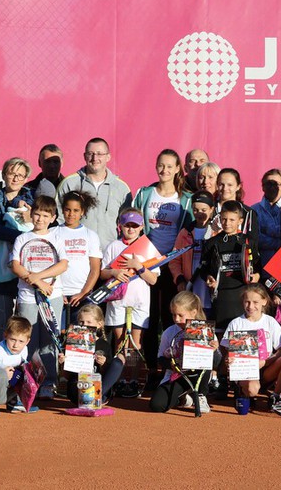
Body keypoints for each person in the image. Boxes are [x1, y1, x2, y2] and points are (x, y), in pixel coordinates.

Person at [133, 149, 193, 388]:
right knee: (148, 318)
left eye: (170, 166)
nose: (165, 170)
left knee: (172, 317)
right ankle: (150, 369)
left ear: (178, 169)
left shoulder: (185, 198)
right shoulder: (145, 193)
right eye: (161, 165)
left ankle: (172, 368)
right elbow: (134, 223)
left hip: (173, 264)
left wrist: (176, 260)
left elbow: (188, 232)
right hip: (147, 263)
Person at [197, 200, 260, 399]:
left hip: (241, 297)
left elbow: (257, 269)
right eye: (224, 219)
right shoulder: (212, 242)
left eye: (232, 219)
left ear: (240, 220)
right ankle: (222, 381)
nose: (227, 223)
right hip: (220, 297)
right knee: (223, 341)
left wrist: (256, 277)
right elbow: (204, 270)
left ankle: (240, 383)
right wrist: (208, 278)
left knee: (240, 340)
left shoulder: (247, 242)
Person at [11, 195, 69, 400]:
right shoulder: (22, 238)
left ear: (53, 217)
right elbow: (16, 265)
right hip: (27, 297)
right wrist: (36, 282)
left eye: (45, 215)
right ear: (30, 215)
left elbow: (63, 264)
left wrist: (39, 278)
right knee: (29, 340)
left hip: (52, 296)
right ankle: (29, 382)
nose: (40, 219)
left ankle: (49, 382)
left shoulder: (57, 238)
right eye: (37, 214)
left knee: (49, 341)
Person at [100, 208, 159, 395]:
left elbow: (153, 279)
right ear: (120, 226)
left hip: (140, 302)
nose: (131, 229)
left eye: (135, 226)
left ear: (142, 227)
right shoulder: (113, 246)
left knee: (135, 343)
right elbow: (102, 272)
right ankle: (118, 378)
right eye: (127, 225)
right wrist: (114, 272)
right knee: (119, 341)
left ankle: (132, 380)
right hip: (118, 300)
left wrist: (138, 267)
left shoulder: (147, 247)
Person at [0, 158, 34, 344]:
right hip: (0, 268)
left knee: (28, 323)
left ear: (26, 178)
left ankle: (25, 369)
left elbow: (45, 224)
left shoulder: (32, 199)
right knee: (2, 322)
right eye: (12, 173)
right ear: (4, 174)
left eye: (20, 175)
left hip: (29, 269)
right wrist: (23, 234)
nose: (15, 178)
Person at [149, 291, 220, 414]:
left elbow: (216, 363)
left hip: (198, 376)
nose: (176, 319)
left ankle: (201, 395)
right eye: (173, 315)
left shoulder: (206, 331)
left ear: (193, 312)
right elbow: (160, 359)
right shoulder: (169, 332)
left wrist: (213, 351)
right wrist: (171, 365)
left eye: (181, 315)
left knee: (205, 363)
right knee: (157, 405)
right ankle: (184, 399)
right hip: (177, 376)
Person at [57, 137, 132, 249]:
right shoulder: (69, 183)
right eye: (90, 153)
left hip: (109, 255)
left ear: (108, 157)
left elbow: (128, 224)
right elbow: (59, 218)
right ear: (84, 156)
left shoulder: (121, 188)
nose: (94, 158)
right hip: (77, 252)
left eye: (99, 154)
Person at [221, 285, 281, 406]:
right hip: (246, 370)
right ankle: (243, 390)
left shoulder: (270, 321)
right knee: (252, 390)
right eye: (247, 302)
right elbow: (228, 353)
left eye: (255, 302)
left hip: (267, 369)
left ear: (264, 301)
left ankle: (276, 395)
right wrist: (228, 360)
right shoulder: (236, 323)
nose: (250, 306)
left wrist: (265, 362)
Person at [59, 304, 124, 406]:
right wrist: (63, 363)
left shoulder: (104, 344)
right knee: (76, 384)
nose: (84, 325)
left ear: (99, 324)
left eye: (89, 322)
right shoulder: (73, 342)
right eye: (81, 322)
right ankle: (93, 400)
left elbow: (107, 373)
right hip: (79, 386)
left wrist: (103, 364)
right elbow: (66, 376)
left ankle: (96, 398)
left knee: (118, 361)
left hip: (98, 386)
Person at [57, 191, 102, 323]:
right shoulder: (54, 232)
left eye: (76, 210)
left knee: (79, 340)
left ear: (82, 211)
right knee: (59, 338)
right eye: (67, 210)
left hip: (82, 296)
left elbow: (95, 269)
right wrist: (58, 293)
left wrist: (83, 293)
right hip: (59, 295)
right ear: (62, 210)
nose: (71, 214)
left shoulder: (91, 235)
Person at [169, 190, 215, 311]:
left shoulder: (217, 232)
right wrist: (179, 279)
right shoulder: (185, 233)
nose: (199, 213)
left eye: (203, 210)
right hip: (191, 285)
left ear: (212, 209)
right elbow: (174, 259)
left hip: (211, 286)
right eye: (195, 210)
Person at [210, 168, 260, 254]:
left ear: (238, 186)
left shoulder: (248, 213)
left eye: (230, 185)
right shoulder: (209, 210)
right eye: (221, 184)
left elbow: (253, 244)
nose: (225, 188)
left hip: (240, 262)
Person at [251, 168, 281, 265]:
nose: (272, 187)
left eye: (277, 184)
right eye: (269, 184)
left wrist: (267, 231)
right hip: (262, 264)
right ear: (263, 187)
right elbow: (255, 238)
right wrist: (279, 241)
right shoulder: (254, 210)